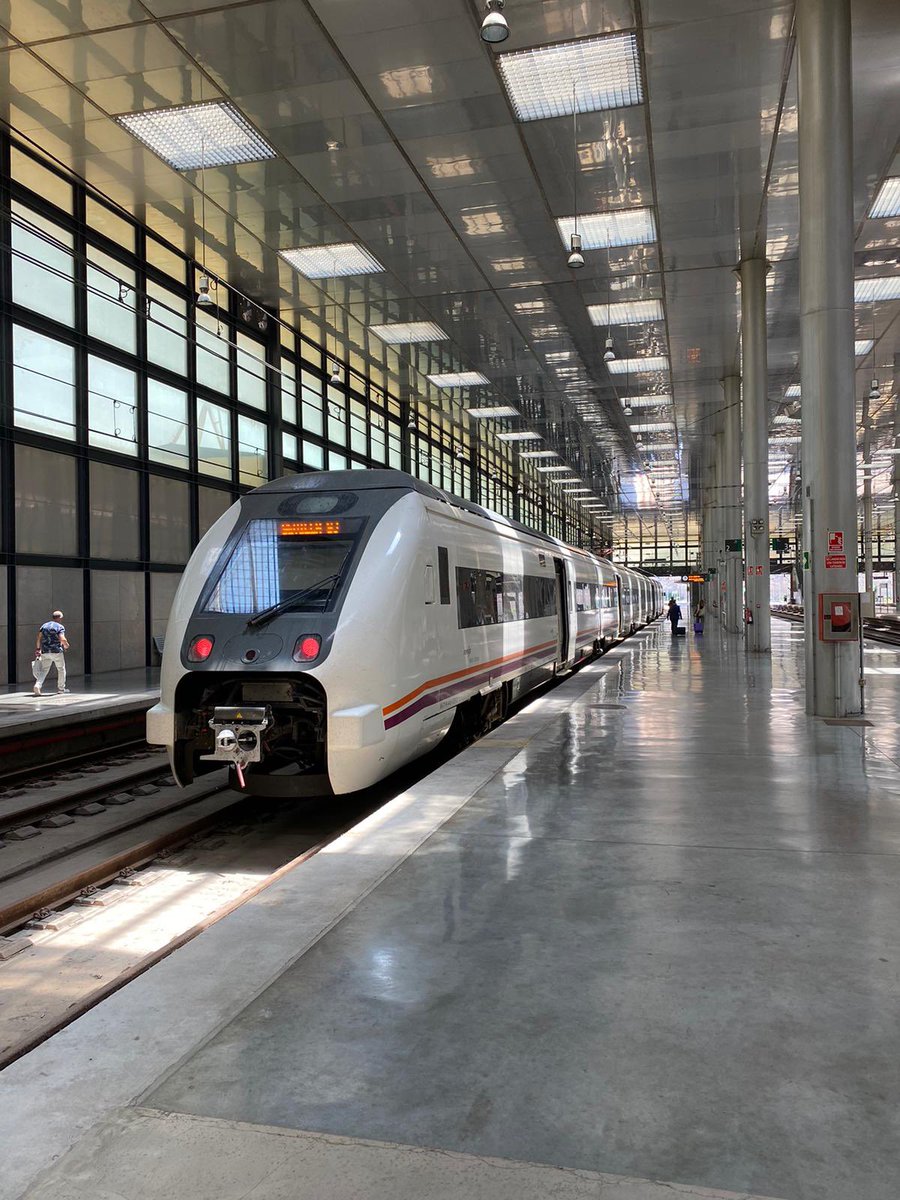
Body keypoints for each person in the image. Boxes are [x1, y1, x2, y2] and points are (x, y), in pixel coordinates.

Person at [33, 610, 70, 696]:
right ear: (60, 618)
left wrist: (38, 649)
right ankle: (61, 689)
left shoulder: (44, 626)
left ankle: (37, 685)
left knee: (44, 670)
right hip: (56, 651)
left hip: (45, 651)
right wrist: (66, 645)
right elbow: (62, 638)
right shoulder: (59, 627)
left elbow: (38, 638)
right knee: (61, 669)